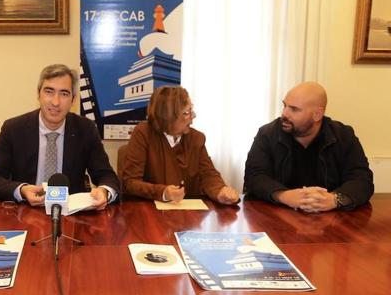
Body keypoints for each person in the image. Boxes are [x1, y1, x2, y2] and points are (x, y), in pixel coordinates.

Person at [0, 64, 119, 209]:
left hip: (70, 216)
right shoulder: (14, 129)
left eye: (64, 94)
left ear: (73, 100)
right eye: (49, 91)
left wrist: (104, 191)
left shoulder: (85, 129)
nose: (55, 102)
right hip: (25, 212)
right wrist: (21, 190)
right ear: (38, 94)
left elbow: (107, 176)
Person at [244, 82, 374, 212]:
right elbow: (254, 177)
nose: (284, 114)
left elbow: (362, 180)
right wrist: (284, 196)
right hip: (278, 215)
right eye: (285, 105)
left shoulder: (343, 136)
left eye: (294, 109)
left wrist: (334, 199)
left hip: (330, 218)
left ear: (317, 115)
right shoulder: (267, 134)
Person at [120, 86, 240, 204]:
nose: (193, 117)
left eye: (191, 110)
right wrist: (163, 192)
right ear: (168, 116)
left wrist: (220, 191)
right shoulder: (143, 133)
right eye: (186, 113)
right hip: (149, 213)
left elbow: (208, 174)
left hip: (188, 215)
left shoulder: (197, 138)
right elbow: (130, 182)